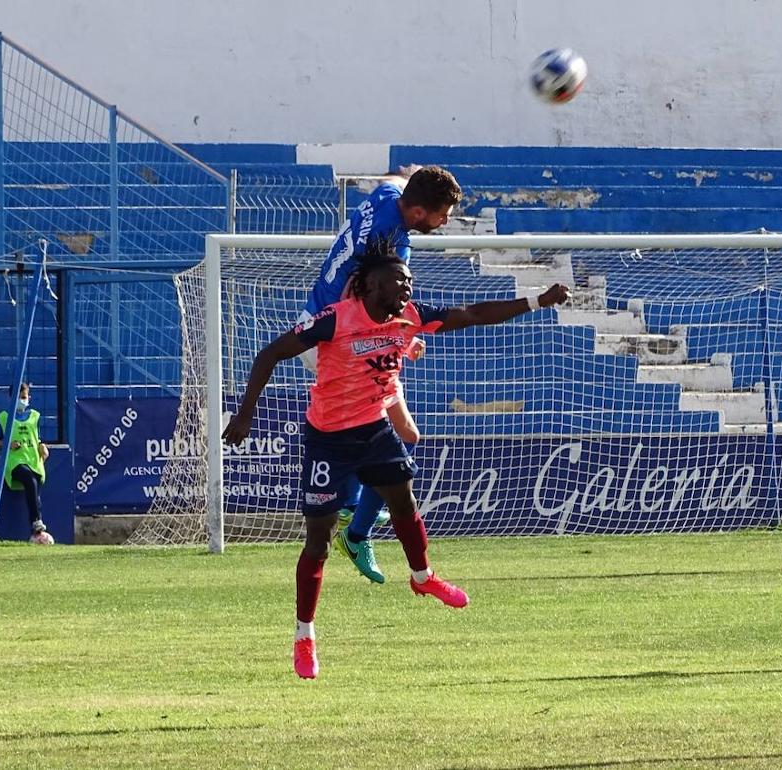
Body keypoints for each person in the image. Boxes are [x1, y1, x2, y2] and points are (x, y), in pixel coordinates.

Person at [223, 252, 570, 679]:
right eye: (396, 281)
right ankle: (304, 637)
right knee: (318, 543)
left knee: (404, 504)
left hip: (373, 429)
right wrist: (244, 414)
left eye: (408, 280)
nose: (406, 287)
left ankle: (423, 576)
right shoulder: (334, 319)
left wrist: (537, 301)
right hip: (328, 438)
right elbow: (271, 353)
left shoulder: (410, 315)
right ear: (370, 286)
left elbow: (474, 313)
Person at [297, 165, 462, 579]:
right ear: (420, 212)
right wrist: (403, 340)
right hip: (336, 341)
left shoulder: (388, 196)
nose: (445, 222)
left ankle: (356, 517)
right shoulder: (392, 245)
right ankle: (356, 527)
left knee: (400, 436)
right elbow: (368, 303)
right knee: (384, 437)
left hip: (323, 323)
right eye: (443, 214)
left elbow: (395, 180)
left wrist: (410, 173)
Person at [0, 382, 52, 541]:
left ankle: (37, 534)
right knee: (28, 479)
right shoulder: (3, 417)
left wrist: (42, 446)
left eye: (24, 397)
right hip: (14, 461)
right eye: (18, 397)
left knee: (34, 490)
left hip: (33, 460)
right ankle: (37, 522)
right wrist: (7, 444)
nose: (21, 400)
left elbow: (37, 438)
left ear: (29, 398)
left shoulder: (35, 416)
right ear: (11, 398)